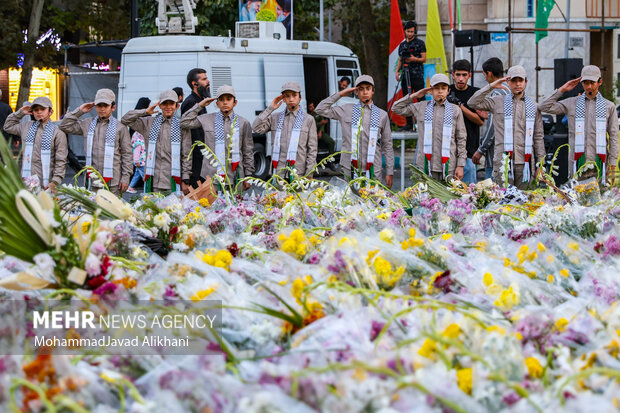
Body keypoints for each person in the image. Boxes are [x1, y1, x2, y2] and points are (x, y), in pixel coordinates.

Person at [538, 65, 619, 184]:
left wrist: (612, 164)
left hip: (600, 164)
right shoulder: (572, 103)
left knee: (600, 200)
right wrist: (562, 90)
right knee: (576, 199)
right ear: (581, 83)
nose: (589, 86)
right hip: (576, 163)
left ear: (600, 82)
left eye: (592, 82)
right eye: (585, 83)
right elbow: (543, 106)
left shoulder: (609, 107)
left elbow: (614, 137)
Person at [468, 65, 545, 189]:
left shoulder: (534, 107)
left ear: (526, 82)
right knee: (503, 202)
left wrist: (541, 166)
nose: (517, 84)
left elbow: (538, 138)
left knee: (525, 202)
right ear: (508, 82)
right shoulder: (497, 101)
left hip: (525, 163)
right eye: (513, 81)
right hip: (503, 162)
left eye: (520, 80)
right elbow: (472, 102)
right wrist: (491, 86)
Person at [316, 75, 394, 187]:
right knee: (351, 201)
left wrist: (390, 171)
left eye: (368, 88)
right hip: (350, 166)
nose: (365, 92)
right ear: (356, 92)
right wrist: (340, 94)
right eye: (361, 89)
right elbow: (320, 109)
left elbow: (387, 144)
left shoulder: (382, 115)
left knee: (373, 200)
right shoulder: (346, 109)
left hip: (373, 167)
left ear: (373, 91)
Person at [392, 73, 466, 181]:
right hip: (425, 165)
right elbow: (396, 108)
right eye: (436, 88)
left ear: (448, 91)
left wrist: (460, 165)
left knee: (449, 197)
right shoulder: (421, 107)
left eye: (443, 88)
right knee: (424, 197)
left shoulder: (455, 110)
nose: (440, 91)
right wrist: (415, 95)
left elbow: (461, 138)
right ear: (430, 91)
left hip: (449, 166)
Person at [180, 85, 254, 191]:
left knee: (235, 207)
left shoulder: (243, 123)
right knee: (212, 207)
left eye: (228, 99)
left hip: (236, 177)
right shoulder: (207, 119)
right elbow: (184, 122)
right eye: (221, 100)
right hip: (211, 177)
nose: (225, 102)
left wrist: (248, 175)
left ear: (235, 102)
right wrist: (200, 105)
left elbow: (248, 151)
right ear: (217, 103)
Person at [59, 89, 132, 195]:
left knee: (111, 211)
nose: (102, 109)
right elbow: (64, 125)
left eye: (105, 105)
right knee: (91, 211)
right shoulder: (87, 124)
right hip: (91, 181)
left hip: (113, 182)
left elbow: (127, 154)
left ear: (113, 107)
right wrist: (80, 111)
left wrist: (125, 178)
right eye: (99, 105)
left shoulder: (120, 127)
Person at [121, 90, 192, 194]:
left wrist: (186, 178)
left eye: (171, 103)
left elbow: (187, 154)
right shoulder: (149, 122)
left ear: (177, 106)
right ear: (160, 105)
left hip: (173, 181)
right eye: (165, 103)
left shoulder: (182, 126)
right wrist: (145, 111)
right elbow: (125, 120)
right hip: (152, 181)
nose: (168, 107)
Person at [253, 81, 318, 180]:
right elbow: (256, 128)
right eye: (287, 96)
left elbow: (312, 149)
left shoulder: (308, 120)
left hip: (299, 173)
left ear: (299, 98)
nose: (291, 99)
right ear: (283, 99)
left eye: (294, 95)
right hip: (279, 173)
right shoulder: (275, 118)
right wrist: (270, 108)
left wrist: (309, 173)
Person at [3, 96, 68, 191]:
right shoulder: (26, 126)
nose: (39, 112)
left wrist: (55, 181)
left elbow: (61, 160)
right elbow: (8, 126)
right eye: (36, 109)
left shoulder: (58, 133)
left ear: (51, 112)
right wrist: (20, 113)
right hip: (26, 180)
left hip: (46, 183)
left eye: (42, 109)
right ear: (32, 112)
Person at [448, 59, 483, 184]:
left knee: (468, 194)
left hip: (469, 151)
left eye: (464, 75)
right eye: (458, 75)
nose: (461, 79)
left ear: (469, 75)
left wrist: (459, 105)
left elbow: (480, 121)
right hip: (448, 152)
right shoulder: (446, 91)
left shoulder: (476, 93)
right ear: (453, 75)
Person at [473, 57, 508, 180]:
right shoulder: (509, 91)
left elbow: (494, 127)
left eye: (484, 74)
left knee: (493, 195)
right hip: (508, 153)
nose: (485, 78)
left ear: (489, 73)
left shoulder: (497, 93)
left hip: (495, 156)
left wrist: (481, 150)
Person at [181, 68, 211, 188]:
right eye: (204, 79)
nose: (208, 81)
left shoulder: (200, 100)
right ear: (195, 84)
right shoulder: (191, 102)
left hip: (201, 156)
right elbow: (188, 130)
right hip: (194, 158)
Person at [396, 21, 427, 131]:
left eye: (412, 32)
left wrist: (414, 59)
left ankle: (423, 121)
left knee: (420, 98)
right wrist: (397, 71)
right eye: (408, 31)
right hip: (405, 75)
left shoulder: (420, 43)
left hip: (417, 75)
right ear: (405, 31)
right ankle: (409, 123)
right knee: (406, 99)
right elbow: (400, 59)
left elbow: (424, 58)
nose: (410, 34)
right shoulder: (402, 45)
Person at [127, 97, 151, 194]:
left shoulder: (136, 118)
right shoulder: (140, 121)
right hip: (140, 158)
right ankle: (146, 189)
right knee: (143, 175)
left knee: (137, 173)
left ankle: (132, 185)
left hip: (140, 156)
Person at [308, 101, 336, 170]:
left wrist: (320, 131)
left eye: (313, 106)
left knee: (331, 142)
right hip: (310, 134)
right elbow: (312, 125)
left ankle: (330, 161)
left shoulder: (316, 113)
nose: (312, 108)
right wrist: (320, 123)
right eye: (310, 107)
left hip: (319, 132)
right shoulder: (307, 116)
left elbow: (322, 122)